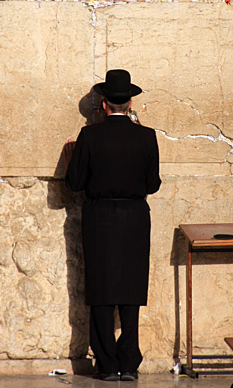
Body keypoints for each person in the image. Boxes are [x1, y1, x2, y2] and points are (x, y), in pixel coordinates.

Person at [63, 69, 161, 382]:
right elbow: (152, 183)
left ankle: (106, 363)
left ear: (104, 104)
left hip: (99, 218)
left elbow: (75, 183)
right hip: (134, 217)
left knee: (101, 288)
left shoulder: (89, 136)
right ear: (130, 103)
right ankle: (129, 362)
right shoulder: (147, 137)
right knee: (131, 289)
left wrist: (71, 158)